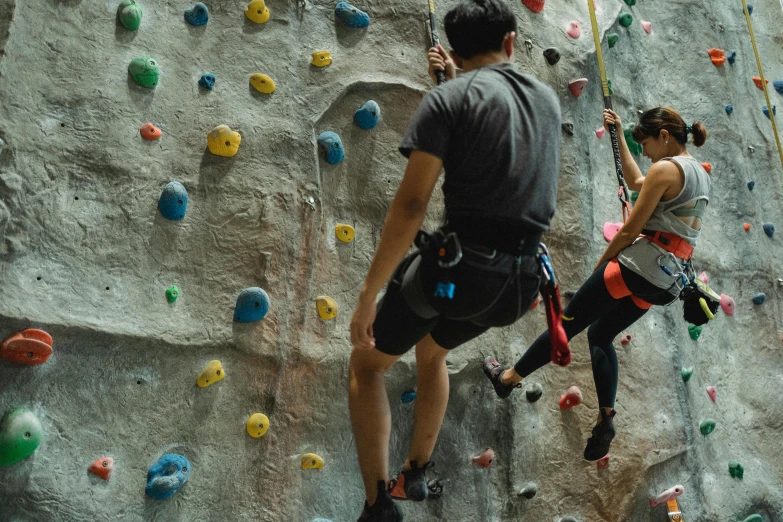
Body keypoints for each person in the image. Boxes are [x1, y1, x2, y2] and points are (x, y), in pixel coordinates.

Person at [347, 0, 562, 519]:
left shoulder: (449, 100)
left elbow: (412, 204)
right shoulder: (547, 101)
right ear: (511, 42)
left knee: (367, 365)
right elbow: (495, 143)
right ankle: (415, 472)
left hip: (460, 273)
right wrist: (446, 88)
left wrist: (367, 295)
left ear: (456, 49)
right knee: (431, 353)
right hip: (519, 284)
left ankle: (379, 504)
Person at [483, 106, 710, 462]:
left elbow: (632, 229)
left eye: (647, 144)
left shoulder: (666, 168)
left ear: (665, 136)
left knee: (567, 324)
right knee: (600, 335)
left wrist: (602, 264)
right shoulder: (698, 174)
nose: (646, 153)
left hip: (637, 266)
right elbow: (638, 184)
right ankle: (606, 420)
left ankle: (507, 379)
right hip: (664, 281)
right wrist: (618, 136)